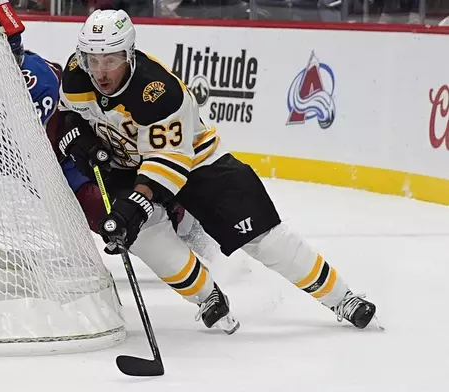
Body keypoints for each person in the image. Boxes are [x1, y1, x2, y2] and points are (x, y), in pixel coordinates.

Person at [0, 1, 237, 333]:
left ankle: (185, 223)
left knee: (119, 218)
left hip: (75, 163)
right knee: (103, 220)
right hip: (43, 173)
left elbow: (26, 144)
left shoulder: (36, 79)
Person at [57, 9, 378, 330]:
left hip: (195, 161)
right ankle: (208, 296)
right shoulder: (75, 74)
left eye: (110, 60)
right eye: (92, 60)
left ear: (129, 54)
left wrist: (137, 203)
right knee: (140, 235)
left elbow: (168, 160)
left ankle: (342, 298)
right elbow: (68, 114)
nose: (100, 72)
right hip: (126, 165)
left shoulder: (158, 91)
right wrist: (75, 134)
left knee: (262, 237)